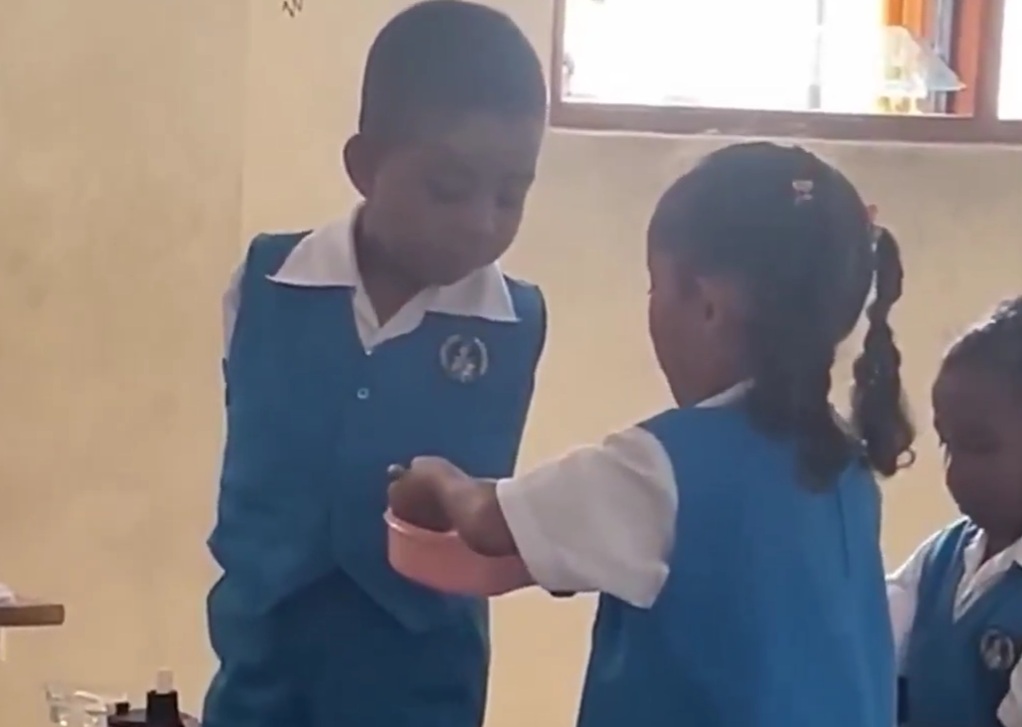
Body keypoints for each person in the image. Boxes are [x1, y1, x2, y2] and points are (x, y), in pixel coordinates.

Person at [388, 142, 916, 727]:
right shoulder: (845, 462)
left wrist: (439, 478)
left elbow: (489, 522)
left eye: (655, 286)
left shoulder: (660, 468)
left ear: (708, 305)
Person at [201, 2, 548, 726]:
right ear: (364, 166)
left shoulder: (514, 322)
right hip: (263, 671)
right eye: (448, 189)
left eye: (511, 195)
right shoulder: (267, 283)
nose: (482, 221)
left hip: (422, 686)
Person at [888, 297, 1022, 727]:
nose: (955, 472)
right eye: (947, 445)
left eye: (980, 446)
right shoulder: (939, 559)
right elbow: (865, 651)